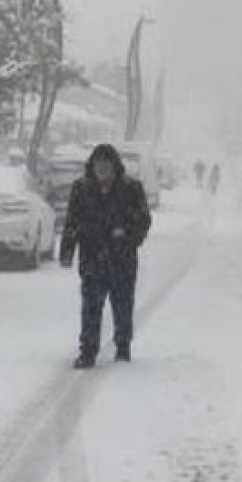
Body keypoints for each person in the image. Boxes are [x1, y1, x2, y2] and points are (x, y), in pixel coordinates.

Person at [60, 144, 153, 369]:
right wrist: (67, 250)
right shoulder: (81, 189)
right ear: (91, 167)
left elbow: (144, 221)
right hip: (92, 257)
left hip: (122, 259)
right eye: (97, 165)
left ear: (115, 167)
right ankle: (88, 351)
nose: (101, 169)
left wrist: (128, 236)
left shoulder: (131, 189)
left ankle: (123, 347)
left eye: (106, 165)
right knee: (91, 306)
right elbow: (71, 221)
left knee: (122, 305)